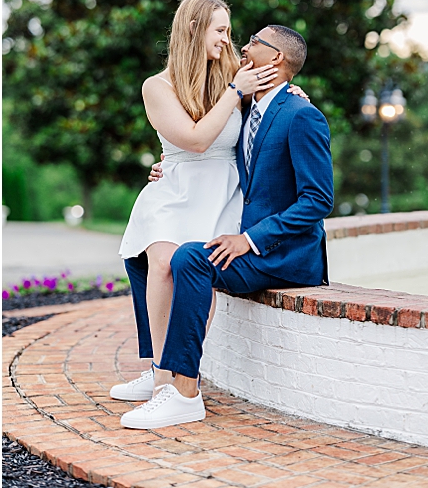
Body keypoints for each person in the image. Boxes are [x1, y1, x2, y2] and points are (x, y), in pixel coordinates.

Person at [120, 23, 333, 429]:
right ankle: (163, 377)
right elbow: (220, 153)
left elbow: (318, 201)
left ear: (276, 59)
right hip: (250, 245)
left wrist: (249, 239)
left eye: (254, 41)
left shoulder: (302, 115)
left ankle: (183, 394)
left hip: (285, 256)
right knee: (150, 256)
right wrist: (171, 166)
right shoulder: (251, 107)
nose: (243, 45)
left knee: (189, 259)